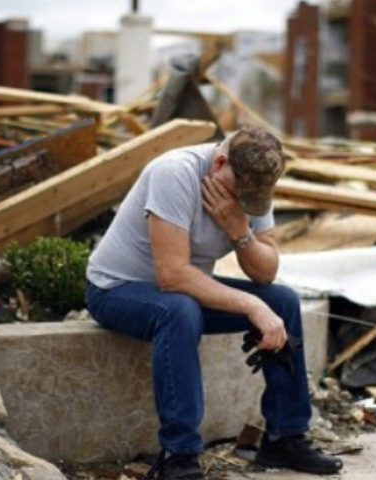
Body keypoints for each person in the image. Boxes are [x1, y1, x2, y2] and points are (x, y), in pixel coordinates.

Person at [85, 126, 343, 480]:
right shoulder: (174, 173)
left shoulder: (251, 184)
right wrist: (251, 306)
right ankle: (180, 456)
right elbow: (172, 276)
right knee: (179, 309)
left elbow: (265, 273)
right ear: (219, 163)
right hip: (117, 290)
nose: (247, 202)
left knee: (281, 300)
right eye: (241, 193)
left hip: (180, 291)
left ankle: (286, 437)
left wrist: (239, 230)